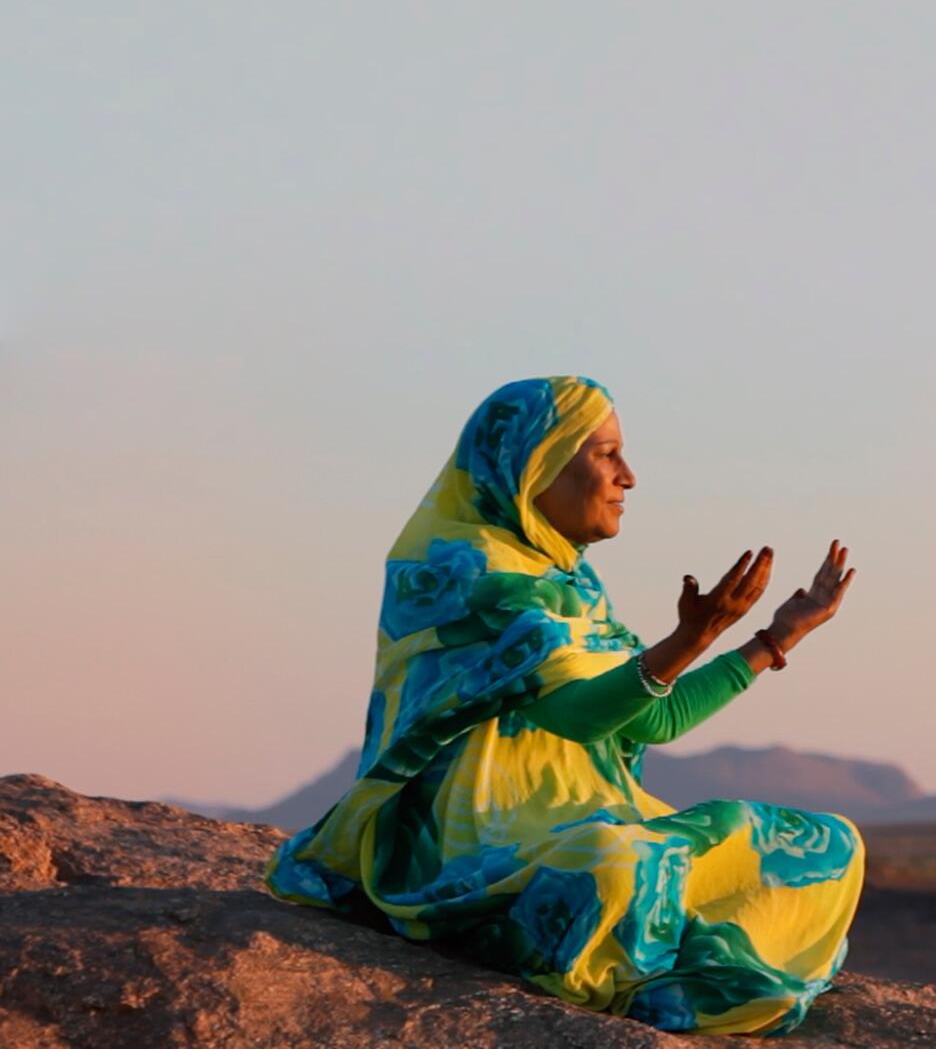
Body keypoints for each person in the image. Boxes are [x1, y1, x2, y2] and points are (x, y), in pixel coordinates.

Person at [265, 375, 863, 1036]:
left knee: (829, 844)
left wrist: (777, 636)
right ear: (535, 461)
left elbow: (654, 717)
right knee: (615, 865)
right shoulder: (461, 569)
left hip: (580, 818)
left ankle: (642, 939)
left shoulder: (570, 583)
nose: (628, 476)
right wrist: (690, 637)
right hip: (470, 838)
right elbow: (576, 714)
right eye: (605, 453)